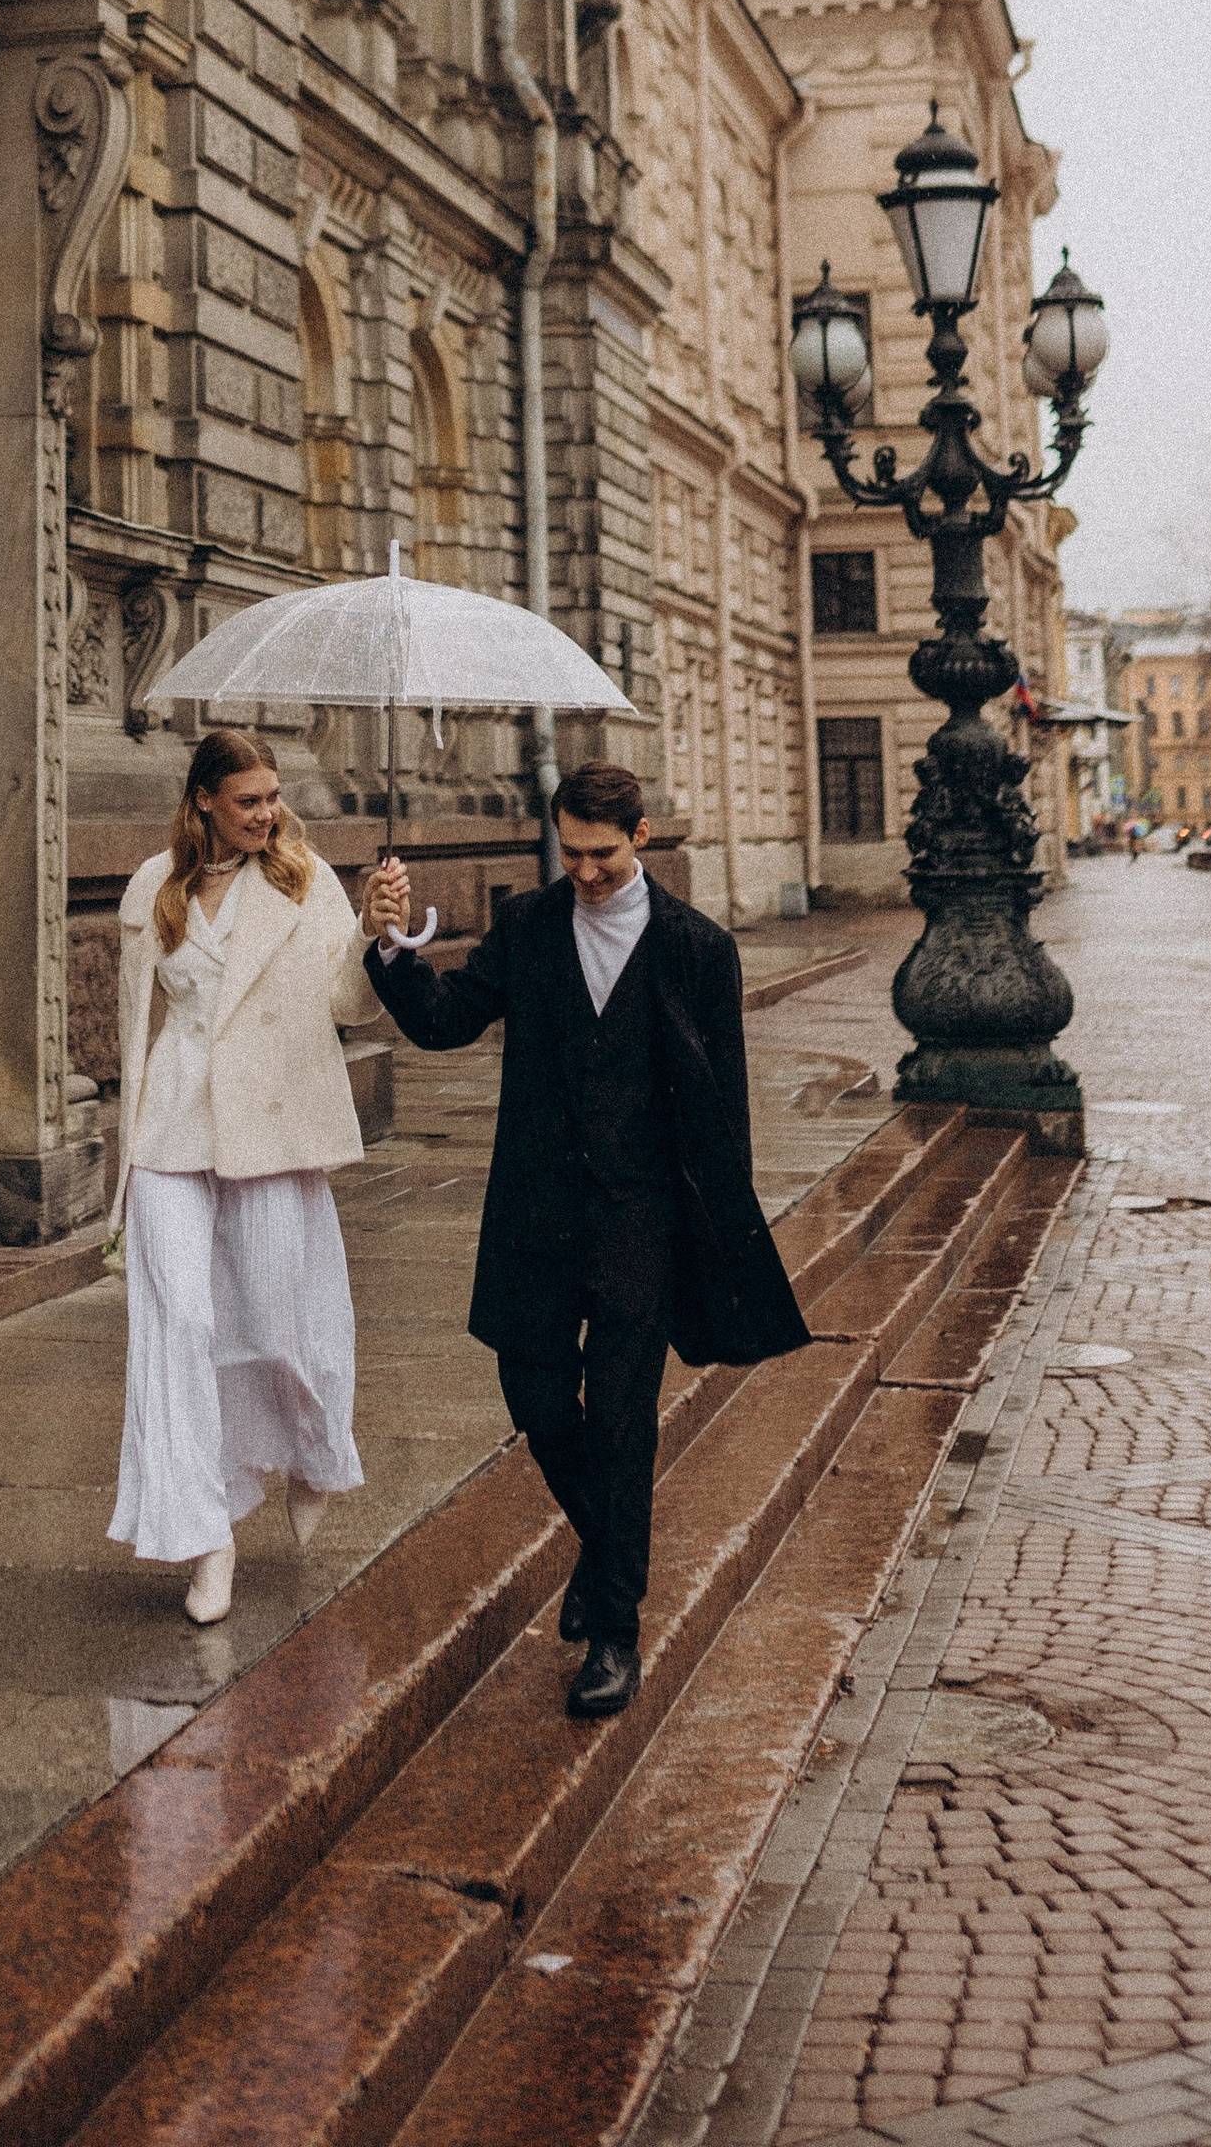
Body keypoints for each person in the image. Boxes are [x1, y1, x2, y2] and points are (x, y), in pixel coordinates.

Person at [363, 760, 810, 1721]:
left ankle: (613, 1630)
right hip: (537, 1211)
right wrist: (393, 947)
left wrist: (720, 1238)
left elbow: (723, 1112)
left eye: (603, 855)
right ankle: (611, 1556)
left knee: (618, 1416)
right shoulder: (527, 927)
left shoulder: (698, 950)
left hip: (643, 1221)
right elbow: (446, 1024)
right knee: (532, 1393)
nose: (587, 873)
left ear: (640, 838)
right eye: (570, 853)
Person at [109, 728, 398, 1625]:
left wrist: (374, 935)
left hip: (271, 1125)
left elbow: (346, 1005)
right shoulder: (152, 888)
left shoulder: (302, 881)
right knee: (178, 1327)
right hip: (172, 1130)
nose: (267, 814)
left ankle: (314, 1450)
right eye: (248, 801)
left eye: (272, 797)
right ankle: (208, 1539)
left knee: (279, 1320)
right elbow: (135, 1033)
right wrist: (119, 1178)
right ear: (203, 801)